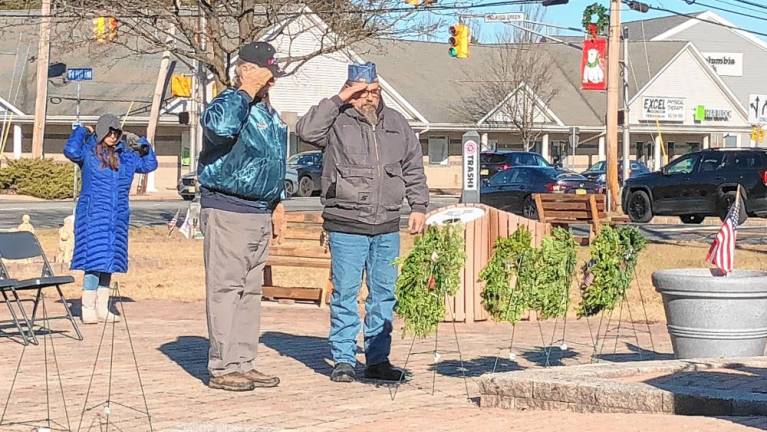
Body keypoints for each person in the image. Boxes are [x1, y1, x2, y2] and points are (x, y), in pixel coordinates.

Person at [296, 62, 429, 383]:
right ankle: (343, 358)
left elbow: (413, 167)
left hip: (386, 225)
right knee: (345, 293)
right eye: (361, 91)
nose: (368, 97)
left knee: (384, 294)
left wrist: (419, 206)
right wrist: (341, 98)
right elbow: (305, 130)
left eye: (373, 91)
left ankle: (378, 359)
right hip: (346, 223)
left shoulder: (397, 123)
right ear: (350, 90)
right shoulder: (335, 120)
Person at [197, 41, 286, 392]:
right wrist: (246, 89)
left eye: (272, 75)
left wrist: (278, 202)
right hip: (228, 209)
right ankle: (222, 367)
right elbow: (219, 129)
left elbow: (273, 160)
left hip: (258, 212)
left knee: (250, 292)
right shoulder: (228, 102)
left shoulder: (267, 112)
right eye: (266, 74)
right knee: (225, 290)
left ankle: (243, 362)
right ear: (246, 70)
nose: (270, 82)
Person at [64, 114, 158, 324]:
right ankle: (87, 306)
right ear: (101, 132)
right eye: (109, 132)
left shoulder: (126, 157)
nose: (113, 137)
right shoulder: (88, 153)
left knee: (109, 261)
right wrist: (83, 130)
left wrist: (142, 143)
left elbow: (149, 165)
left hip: (117, 217)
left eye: (116, 133)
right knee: (93, 261)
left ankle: (102, 306)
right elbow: (70, 150)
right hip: (93, 215)